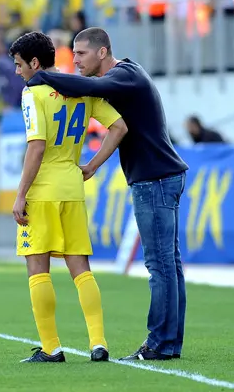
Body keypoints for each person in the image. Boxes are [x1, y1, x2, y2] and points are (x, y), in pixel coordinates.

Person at [27, 27, 189, 361]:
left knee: (159, 265)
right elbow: (115, 120)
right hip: (162, 176)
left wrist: (44, 78)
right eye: (72, 54)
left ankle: (160, 343)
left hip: (153, 179)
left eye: (81, 54)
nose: (75, 61)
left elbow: (92, 88)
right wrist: (94, 166)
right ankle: (169, 342)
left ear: (103, 52)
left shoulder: (123, 75)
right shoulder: (127, 74)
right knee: (169, 265)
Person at [10, 32, 128, 363]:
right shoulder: (81, 89)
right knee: (81, 269)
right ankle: (98, 343)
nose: (18, 72)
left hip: (43, 191)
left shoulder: (33, 93)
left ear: (34, 63)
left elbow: (36, 146)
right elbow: (118, 127)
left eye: (19, 65)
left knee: (38, 267)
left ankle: (51, 348)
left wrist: (20, 194)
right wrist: (91, 164)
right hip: (73, 188)